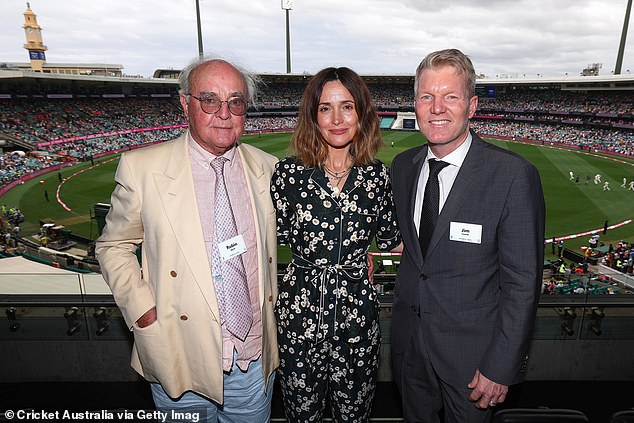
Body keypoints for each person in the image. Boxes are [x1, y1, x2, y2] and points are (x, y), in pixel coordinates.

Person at [95, 57, 279, 422]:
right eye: (209, 100)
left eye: (236, 102)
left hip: (253, 360)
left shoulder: (268, 167)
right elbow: (112, 246)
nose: (224, 114)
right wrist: (144, 312)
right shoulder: (142, 168)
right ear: (185, 103)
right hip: (178, 356)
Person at [390, 49, 545, 422]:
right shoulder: (403, 167)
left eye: (451, 96)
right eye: (427, 97)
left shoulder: (511, 176)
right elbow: (413, 248)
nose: (437, 108)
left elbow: (522, 283)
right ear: (415, 104)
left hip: (474, 361)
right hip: (409, 349)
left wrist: (500, 366)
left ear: (472, 106)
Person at [270, 66, 401, 422]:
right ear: (313, 116)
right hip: (299, 317)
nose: (337, 119)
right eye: (326, 108)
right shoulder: (287, 174)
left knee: (355, 414)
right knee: (301, 414)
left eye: (347, 106)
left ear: (362, 113)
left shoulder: (377, 177)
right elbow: (265, 238)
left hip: (357, 317)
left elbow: (395, 241)